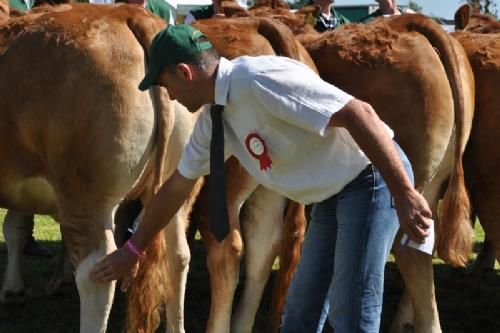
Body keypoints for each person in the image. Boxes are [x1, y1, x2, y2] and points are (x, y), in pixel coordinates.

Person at [90, 24, 432, 332]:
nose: (170, 97)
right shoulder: (214, 117)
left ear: (184, 72)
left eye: (166, 86)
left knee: (352, 314)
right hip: (331, 192)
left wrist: (403, 192)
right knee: (300, 314)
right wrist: (133, 249)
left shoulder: (258, 80)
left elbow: (360, 113)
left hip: (370, 177)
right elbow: (177, 186)